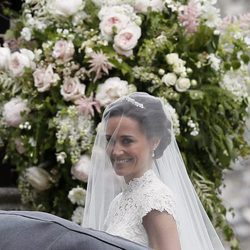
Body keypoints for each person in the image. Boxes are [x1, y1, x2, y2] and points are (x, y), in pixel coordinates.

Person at [82, 92, 225, 250]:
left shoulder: (155, 201)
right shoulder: (119, 202)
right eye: (110, 140)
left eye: (127, 141)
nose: (115, 151)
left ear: (154, 142)